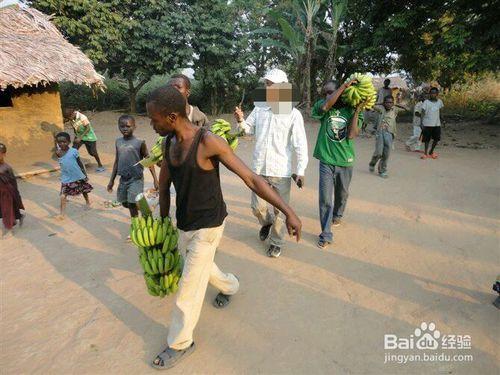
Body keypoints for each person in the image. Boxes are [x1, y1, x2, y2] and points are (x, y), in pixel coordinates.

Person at [147, 86, 301, 369]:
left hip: (209, 224)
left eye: (153, 120)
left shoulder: (208, 142)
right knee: (202, 268)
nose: (151, 125)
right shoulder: (168, 144)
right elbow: (165, 187)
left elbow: (252, 180)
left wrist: (288, 210)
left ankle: (180, 342)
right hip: (184, 222)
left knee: (189, 286)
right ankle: (231, 286)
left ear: (171, 116)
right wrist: (163, 223)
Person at [234, 68, 308, 258]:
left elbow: (300, 144)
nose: (266, 88)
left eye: (270, 84)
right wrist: (241, 120)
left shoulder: (293, 114)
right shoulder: (260, 109)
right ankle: (265, 223)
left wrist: (300, 170)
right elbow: (247, 130)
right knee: (257, 207)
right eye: (266, 84)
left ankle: (276, 242)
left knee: (280, 211)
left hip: (281, 170)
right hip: (259, 169)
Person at [311, 80, 364, 249]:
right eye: (325, 93)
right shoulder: (324, 106)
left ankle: (338, 214)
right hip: (326, 160)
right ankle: (326, 233)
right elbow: (326, 106)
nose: (327, 95)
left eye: (330, 92)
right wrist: (342, 87)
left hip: (345, 161)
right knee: (325, 198)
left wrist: (357, 111)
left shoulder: (352, 109)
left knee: (343, 193)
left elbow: (351, 135)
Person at [107, 115, 159, 219]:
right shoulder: (118, 141)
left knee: (132, 203)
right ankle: (145, 208)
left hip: (136, 179)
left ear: (134, 127)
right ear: (118, 127)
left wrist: (155, 179)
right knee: (124, 202)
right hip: (123, 179)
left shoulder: (140, 142)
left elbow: (148, 161)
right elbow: (117, 161)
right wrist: (111, 180)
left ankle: (139, 222)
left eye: (128, 126)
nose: (125, 128)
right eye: (122, 126)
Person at [55, 132, 93, 219]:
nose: (61, 144)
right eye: (59, 142)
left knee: (84, 190)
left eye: (64, 142)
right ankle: (62, 213)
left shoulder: (74, 151)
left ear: (69, 142)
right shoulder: (58, 153)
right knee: (63, 195)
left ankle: (87, 202)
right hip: (66, 178)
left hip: (78, 176)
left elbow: (80, 163)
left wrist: (85, 175)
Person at [369, 95, 408, 178]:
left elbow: (407, 108)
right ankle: (372, 163)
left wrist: (396, 104)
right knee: (379, 152)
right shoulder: (381, 109)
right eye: (387, 102)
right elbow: (371, 104)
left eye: (391, 102)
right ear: (384, 103)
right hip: (380, 133)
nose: (389, 104)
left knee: (386, 153)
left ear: (393, 103)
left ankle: (382, 170)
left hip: (389, 133)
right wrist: (380, 103)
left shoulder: (395, 110)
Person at [0, 143, 24, 236]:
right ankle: (20, 216)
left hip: (7, 192)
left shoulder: (6, 167)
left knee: (7, 209)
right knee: (6, 209)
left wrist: (15, 194)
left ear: (4, 154)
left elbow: (13, 182)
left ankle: (9, 229)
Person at [420, 87, 444, 159]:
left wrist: (443, 119)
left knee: (436, 139)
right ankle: (425, 153)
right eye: (431, 93)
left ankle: (431, 151)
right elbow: (422, 113)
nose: (432, 94)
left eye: (434, 93)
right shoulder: (426, 102)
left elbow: (440, 112)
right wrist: (421, 123)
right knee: (426, 140)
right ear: (429, 94)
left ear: (437, 94)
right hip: (427, 124)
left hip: (437, 124)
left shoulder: (440, 102)